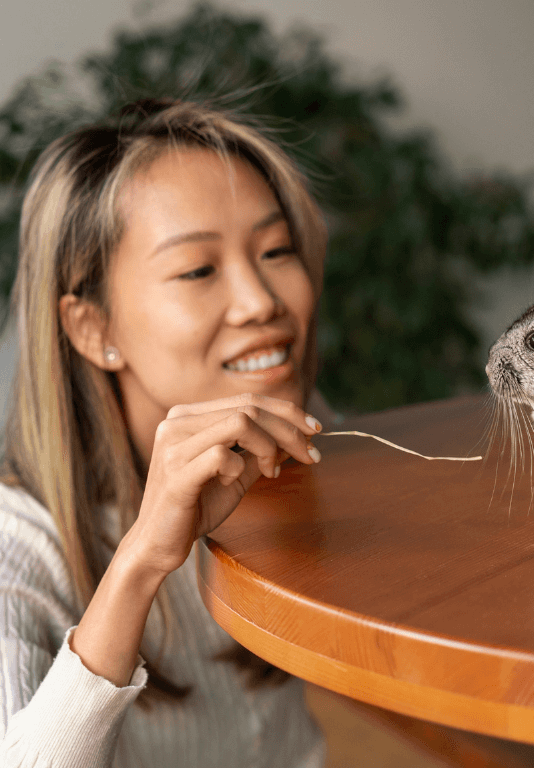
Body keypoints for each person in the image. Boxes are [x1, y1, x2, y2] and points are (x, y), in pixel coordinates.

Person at [0, 99, 341, 766]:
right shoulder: (20, 549)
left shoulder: (296, 443)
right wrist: (142, 561)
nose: (261, 302)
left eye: (276, 250)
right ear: (92, 329)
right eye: (198, 270)